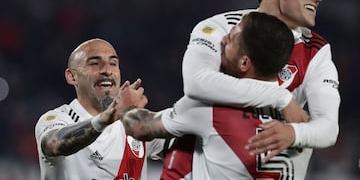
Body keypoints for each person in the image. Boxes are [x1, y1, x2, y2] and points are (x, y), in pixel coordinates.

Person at [162, 0, 339, 179]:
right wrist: (281, 98)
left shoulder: (316, 50)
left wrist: (294, 134)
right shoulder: (220, 27)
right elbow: (197, 82)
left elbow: (328, 128)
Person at [121, 12, 307, 179]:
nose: (223, 40)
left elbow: (140, 127)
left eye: (232, 39)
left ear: (244, 63)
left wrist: (127, 109)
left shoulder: (212, 108)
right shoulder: (299, 122)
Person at [34, 38, 164, 180]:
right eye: (95, 64)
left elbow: (184, 151)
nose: (107, 71)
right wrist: (104, 119)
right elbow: (54, 144)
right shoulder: (58, 118)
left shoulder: (136, 124)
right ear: (72, 76)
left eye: (113, 64)